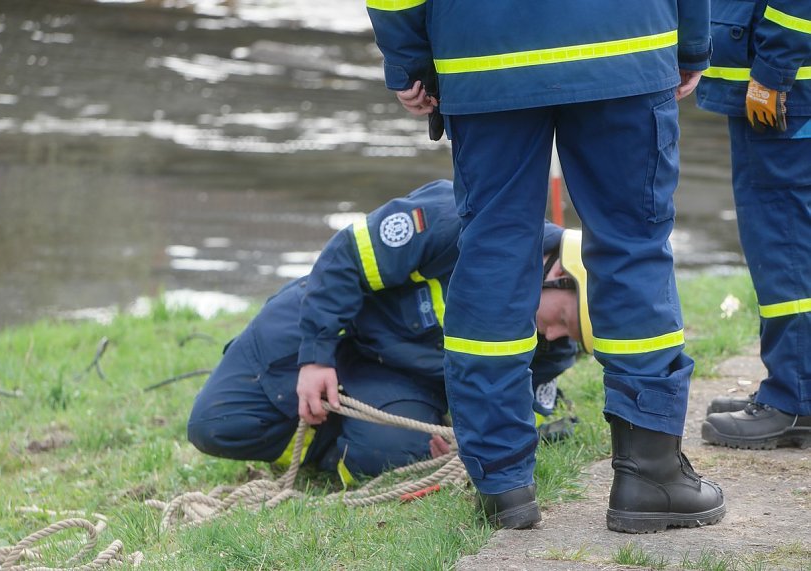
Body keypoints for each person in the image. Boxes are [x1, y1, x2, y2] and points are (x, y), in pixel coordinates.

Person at [365, 0, 725, 533]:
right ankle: (649, 473)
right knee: (632, 247)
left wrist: (410, 59)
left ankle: (502, 482)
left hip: (484, 54)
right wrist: (692, 39)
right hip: (624, 40)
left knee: (493, 251)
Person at [187, 179, 589, 482]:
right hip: (329, 323)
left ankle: (335, 444)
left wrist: (469, 441)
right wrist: (314, 359)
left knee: (401, 450)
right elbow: (346, 259)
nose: (554, 339)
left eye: (571, 339)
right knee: (216, 426)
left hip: (395, 380)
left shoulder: (553, 345)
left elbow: (526, 414)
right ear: (557, 273)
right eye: (563, 322)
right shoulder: (460, 221)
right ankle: (319, 417)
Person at [697, 1, 811, 448]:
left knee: (783, 246)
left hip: (785, 93)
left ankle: (794, 399)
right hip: (781, 89)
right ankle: (791, 386)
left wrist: (773, 71)